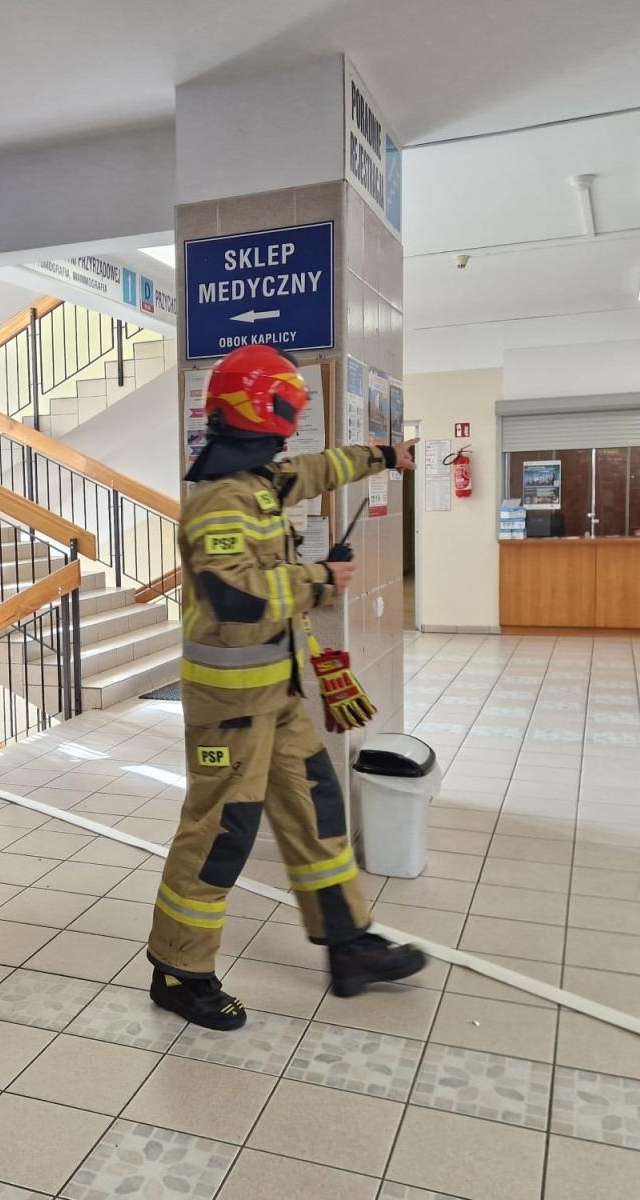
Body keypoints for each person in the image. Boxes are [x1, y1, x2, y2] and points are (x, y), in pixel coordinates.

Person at [147, 345, 426, 1030]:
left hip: (277, 696)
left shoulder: (257, 481)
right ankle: (178, 971)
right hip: (229, 714)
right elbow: (232, 594)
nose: (292, 425)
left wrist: (387, 456)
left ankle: (349, 945)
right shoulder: (219, 501)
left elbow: (314, 469)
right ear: (259, 411)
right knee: (220, 832)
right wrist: (319, 581)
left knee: (316, 811)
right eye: (287, 409)